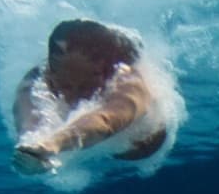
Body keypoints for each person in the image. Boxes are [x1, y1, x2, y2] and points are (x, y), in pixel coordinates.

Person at [11, 19, 168, 175]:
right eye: (66, 86)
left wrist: (53, 143)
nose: (74, 95)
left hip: (141, 147)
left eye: (85, 87)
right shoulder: (37, 79)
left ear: (107, 75)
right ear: (50, 73)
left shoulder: (130, 82)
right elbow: (29, 117)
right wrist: (32, 147)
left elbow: (106, 120)